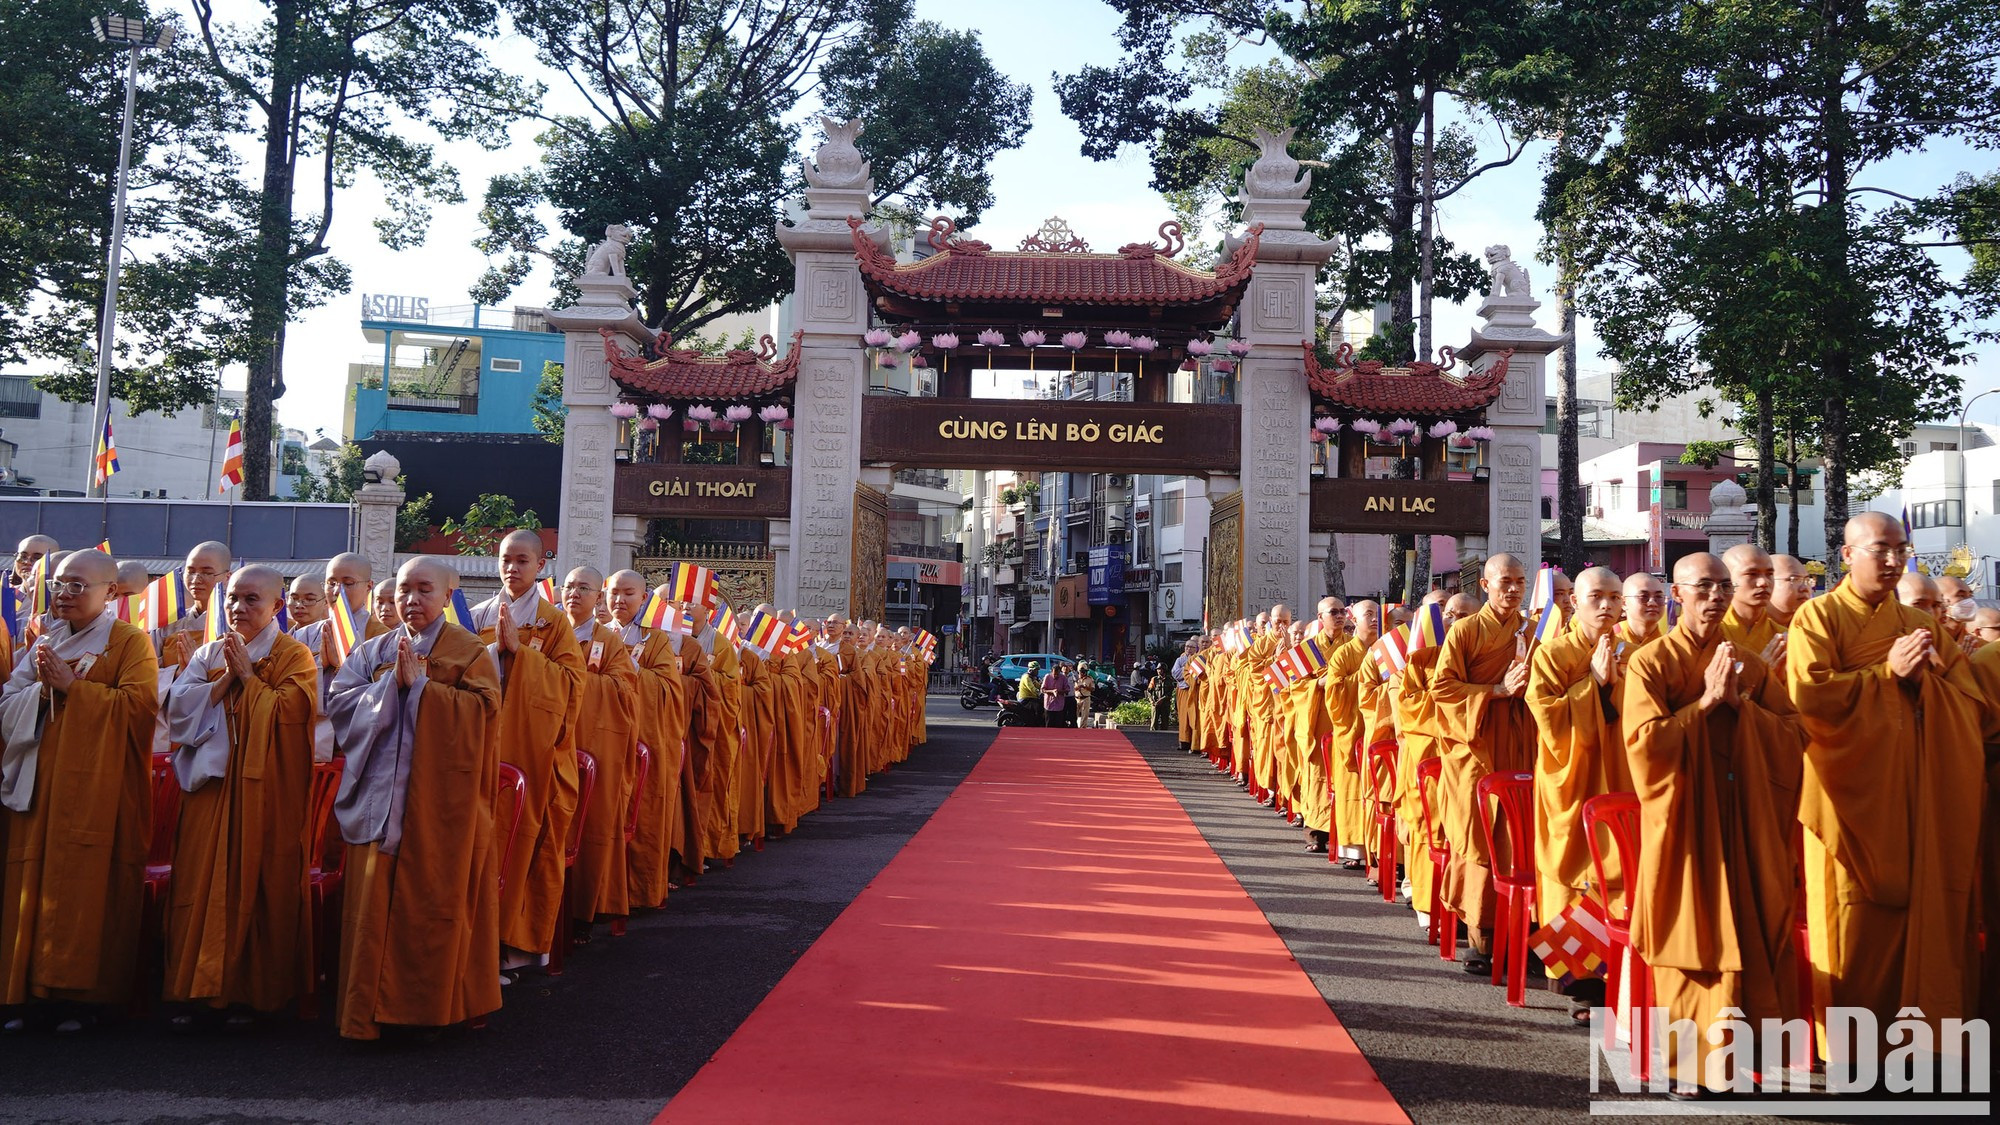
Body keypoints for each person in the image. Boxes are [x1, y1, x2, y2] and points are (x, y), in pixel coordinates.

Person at [1788, 512, 1985, 1064]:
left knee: (1913, 914)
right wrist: (1886, 676)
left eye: (1901, 549)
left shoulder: (1915, 624)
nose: (1893, 560)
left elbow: (1969, 704)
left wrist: (1924, 681)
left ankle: (1913, 1045)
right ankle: (1852, 1053)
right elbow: (1810, 701)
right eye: (1880, 549)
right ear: (1848, 555)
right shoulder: (1817, 619)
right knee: (1853, 922)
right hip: (1847, 797)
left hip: (1916, 797)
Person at [1624, 552, 1805, 1093]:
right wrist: (1704, 704)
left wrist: (1743, 708)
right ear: (1677, 595)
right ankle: (1686, 1067)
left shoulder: (1749, 662)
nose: (1717, 597)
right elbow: (1643, 747)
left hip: (1746, 821)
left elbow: (1796, 734)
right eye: (1703, 587)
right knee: (1691, 939)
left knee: (1753, 927)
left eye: (1724, 587)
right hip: (1683, 826)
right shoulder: (1651, 663)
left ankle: (1745, 1062)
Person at [326, 557, 502, 1040]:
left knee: (430, 902)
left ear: (449, 597)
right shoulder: (374, 649)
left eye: (425, 590)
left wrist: (422, 688)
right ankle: (365, 1015)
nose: (412, 600)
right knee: (372, 904)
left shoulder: (470, 651)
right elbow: (340, 702)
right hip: (380, 796)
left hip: (438, 803)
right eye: (404, 590)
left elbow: (484, 714)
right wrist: (390, 687)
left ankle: (426, 1012)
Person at [0, 549, 158, 1033]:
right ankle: (28, 993)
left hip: (98, 788)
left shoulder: (130, 643)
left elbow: (140, 710)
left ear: (110, 593)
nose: (64, 594)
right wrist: (45, 689)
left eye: (77, 586)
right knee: (34, 880)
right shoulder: (45, 640)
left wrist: (73, 687)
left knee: (90, 884)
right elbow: (9, 699)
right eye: (60, 584)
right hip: (42, 782)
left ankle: (83, 999)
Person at [161, 565, 318, 1024]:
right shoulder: (209, 653)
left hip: (263, 793)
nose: (239, 607)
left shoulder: (293, 655)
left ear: (277, 606)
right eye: (232, 598)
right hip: (210, 793)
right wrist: (226, 679)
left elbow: (294, 717)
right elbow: (179, 713)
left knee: (257, 880)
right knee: (198, 883)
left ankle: (250, 995)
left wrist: (250, 679)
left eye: (252, 599)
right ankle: (195, 992)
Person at [471, 529, 583, 977]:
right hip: (478, 742)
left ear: (541, 566)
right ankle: (474, 939)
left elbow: (573, 687)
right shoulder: (475, 614)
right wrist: (489, 650)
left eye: (522, 560)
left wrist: (522, 655)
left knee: (523, 841)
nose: (511, 568)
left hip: (533, 752)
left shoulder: (554, 623)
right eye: (505, 559)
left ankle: (512, 942)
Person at [1525, 567, 1634, 1015]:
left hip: (1620, 773)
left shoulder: (1634, 649)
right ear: (1575, 602)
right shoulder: (1552, 654)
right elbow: (1546, 716)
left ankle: (1620, 975)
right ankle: (1578, 981)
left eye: (1614, 597)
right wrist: (1593, 682)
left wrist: (1614, 682)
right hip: (1570, 778)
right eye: (1596, 597)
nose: (1606, 605)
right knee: (1574, 868)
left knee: (1620, 871)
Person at [1430, 553, 1534, 973]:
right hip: (1474, 747)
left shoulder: (1531, 633)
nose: (1513, 588)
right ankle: (1481, 934)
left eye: (1520, 581)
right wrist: (1497, 689)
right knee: (1479, 838)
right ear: (1486, 585)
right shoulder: (1466, 632)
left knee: (1516, 838)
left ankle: (1519, 932)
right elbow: (1442, 688)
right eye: (1505, 581)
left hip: (1518, 742)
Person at [557, 568, 639, 937]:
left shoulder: (609, 641)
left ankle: (581, 911)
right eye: (569, 587)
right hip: (543, 741)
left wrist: (570, 681)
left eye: (584, 588)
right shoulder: (547, 630)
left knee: (588, 823)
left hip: (590, 744)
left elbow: (625, 690)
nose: (575, 593)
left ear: (597, 595)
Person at [603, 570, 689, 910]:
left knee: (641, 816)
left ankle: (638, 891)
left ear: (643, 599)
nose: (620, 601)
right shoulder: (597, 634)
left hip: (644, 740)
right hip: (605, 738)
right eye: (614, 593)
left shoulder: (656, 641)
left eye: (629, 594)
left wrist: (633, 671)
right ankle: (600, 896)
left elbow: (670, 690)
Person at [156, 542, 231, 674]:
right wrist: (178, 672)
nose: (196, 579)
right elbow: (146, 671)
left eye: (207, 573)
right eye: (190, 572)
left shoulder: (235, 623)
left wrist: (195, 669)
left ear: (227, 577)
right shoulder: (168, 622)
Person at [1720, 544, 1786, 669]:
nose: (1763, 583)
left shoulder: (1782, 636)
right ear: (1727, 582)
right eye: (1752, 574)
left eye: (1769, 574)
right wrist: (1760, 670)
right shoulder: (1710, 632)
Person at [1618, 572, 1668, 649]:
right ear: (1624, 603)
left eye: (1659, 597)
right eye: (1643, 596)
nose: (1652, 603)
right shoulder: (1609, 640)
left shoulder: (1671, 642)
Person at [1769, 554, 1813, 628]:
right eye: (1795, 580)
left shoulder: (1816, 625)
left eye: (1807, 580)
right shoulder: (1747, 626)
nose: (1804, 588)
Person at [1040, 661, 1073, 728]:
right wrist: (1052, 691)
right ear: (1052, 671)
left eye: (1057, 674)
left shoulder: (1063, 678)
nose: (1056, 676)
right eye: (1054, 674)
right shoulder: (1047, 677)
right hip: (1049, 705)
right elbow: (1042, 690)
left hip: (1059, 705)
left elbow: (1067, 690)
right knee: (1049, 724)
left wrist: (1059, 692)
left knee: (1058, 725)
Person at [1073, 659, 1097, 727]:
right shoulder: (1076, 679)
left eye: (1084, 672)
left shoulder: (1089, 679)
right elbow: (1072, 688)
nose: (1083, 673)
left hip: (1085, 698)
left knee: (1084, 715)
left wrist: (1085, 687)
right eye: (1081, 671)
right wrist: (1078, 686)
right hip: (1077, 698)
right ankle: (1074, 727)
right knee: (1074, 715)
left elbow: (1092, 689)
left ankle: (1082, 729)